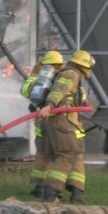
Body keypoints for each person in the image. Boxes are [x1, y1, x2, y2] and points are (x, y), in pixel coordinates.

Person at [37, 49, 95, 204]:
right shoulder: (71, 74)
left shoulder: (72, 75)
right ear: (83, 65)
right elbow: (59, 90)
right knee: (66, 155)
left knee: (74, 154)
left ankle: (76, 194)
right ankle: (50, 193)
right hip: (62, 121)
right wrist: (50, 105)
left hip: (62, 121)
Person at [20, 50, 66, 198]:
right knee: (64, 156)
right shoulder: (65, 77)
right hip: (63, 122)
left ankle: (38, 187)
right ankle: (54, 191)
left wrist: (34, 75)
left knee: (43, 155)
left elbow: (25, 92)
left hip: (43, 120)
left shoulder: (39, 78)